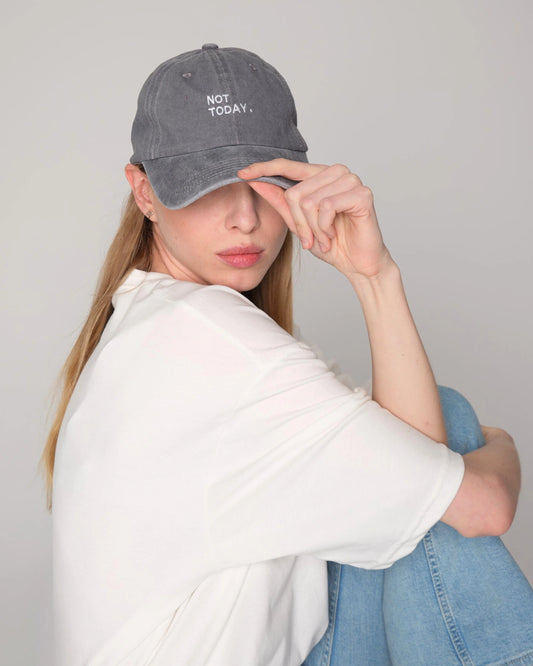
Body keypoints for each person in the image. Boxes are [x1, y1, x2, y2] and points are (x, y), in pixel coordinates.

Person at [42, 44, 533, 665]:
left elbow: (418, 469)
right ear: (144, 192)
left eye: (265, 184)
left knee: (428, 436)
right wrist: (502, 444)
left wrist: (373, 274)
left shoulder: (149, 319)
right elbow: (484, 507)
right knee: (454, 432)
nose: (245, 219)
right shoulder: (205, 338)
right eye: (207, 188)